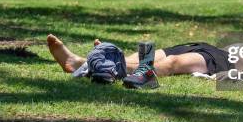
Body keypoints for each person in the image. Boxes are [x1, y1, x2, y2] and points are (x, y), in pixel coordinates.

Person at [46, 34, 231, 80]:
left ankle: (106, 66)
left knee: (173, 63)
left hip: (227, 60)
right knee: (144, 55)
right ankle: (80, 63)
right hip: (203, 46)